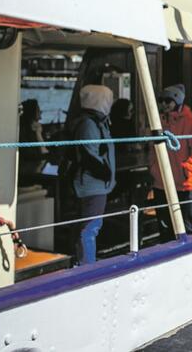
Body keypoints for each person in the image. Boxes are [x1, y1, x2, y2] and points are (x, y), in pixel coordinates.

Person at [150, 84, 192, 239]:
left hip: (185, 186)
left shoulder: (191, 123)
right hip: (162, 184)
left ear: (177, 102)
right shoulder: (158, 122)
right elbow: (152, 149)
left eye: (168, 101)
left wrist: (186, 169)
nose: (164, 105)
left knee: (186, 228)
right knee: (165, 230)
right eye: (161, 101)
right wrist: (154, 169)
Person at [68, 85, 115, 265]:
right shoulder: (90, 124)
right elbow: (89, 155)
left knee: (86, 225)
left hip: (93, 183)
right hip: (92, 184)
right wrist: (105, 173)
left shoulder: (96, 122)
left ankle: (82, 260)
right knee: (90, 228)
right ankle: (87, 264)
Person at [19, 99, 49, 176]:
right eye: (38, 110)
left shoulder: (38, 129)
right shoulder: (23, 133)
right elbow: (43, 154)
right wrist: (38, 134)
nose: (41, 114)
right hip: (28, 172)